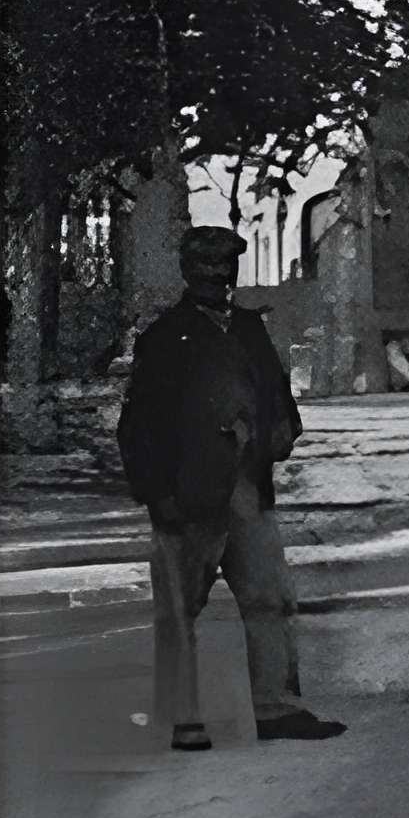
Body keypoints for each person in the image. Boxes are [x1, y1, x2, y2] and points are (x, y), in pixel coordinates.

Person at [117, 223, 345, 751]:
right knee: (178, 609)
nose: (217, 274)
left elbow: (277, 395)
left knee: (271, 598)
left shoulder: (248, 328)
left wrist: (281, 432)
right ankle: (181, 718)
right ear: (186, 270)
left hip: (248, 490)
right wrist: (159, 496)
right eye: (206, 265)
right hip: (186, 495)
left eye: (226, 265)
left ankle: (277, 708)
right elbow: (137, 428)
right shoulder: (162, 339)